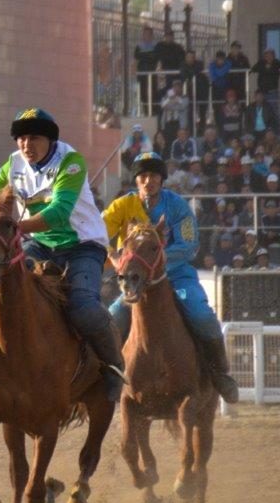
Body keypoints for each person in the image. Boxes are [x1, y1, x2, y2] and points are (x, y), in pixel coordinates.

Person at [0, 108, 125, 401]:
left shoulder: (70, 163)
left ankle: (113, 366)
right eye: (21, 139)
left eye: (34, 138)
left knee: (83, 307)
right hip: (39, 243)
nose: (26, 145)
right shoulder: (14, 164)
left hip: (82, 245)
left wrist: (13, 227)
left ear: (50, 140)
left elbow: (59, 213)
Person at [102, 152, 240, 403]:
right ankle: (106, 377)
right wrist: (114, 257)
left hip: (177, 277)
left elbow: (190, 245)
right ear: (136, 180)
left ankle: (219, 373)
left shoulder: (177, 205)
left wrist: (156, 260)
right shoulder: (122, 206)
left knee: (201, 314)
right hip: (135, 282)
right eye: (142, 176)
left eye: (154, 175)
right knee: (111, 318)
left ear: (162, 179)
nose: (148, 181)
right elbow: (96, 235)